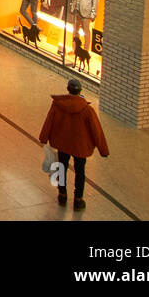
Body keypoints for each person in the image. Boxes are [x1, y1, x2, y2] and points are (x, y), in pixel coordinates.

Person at [38, 79, 110, 210]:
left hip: (62, 143)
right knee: (80, 172)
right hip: (80, 146)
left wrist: (43, 138)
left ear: (68, 89)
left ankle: (62, 195)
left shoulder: (58, 105)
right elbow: (97, 131)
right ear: (80, 91)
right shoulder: (88, 110)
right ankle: (78, 200)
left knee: (61, 167)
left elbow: (49, 121)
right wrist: (103, 150)